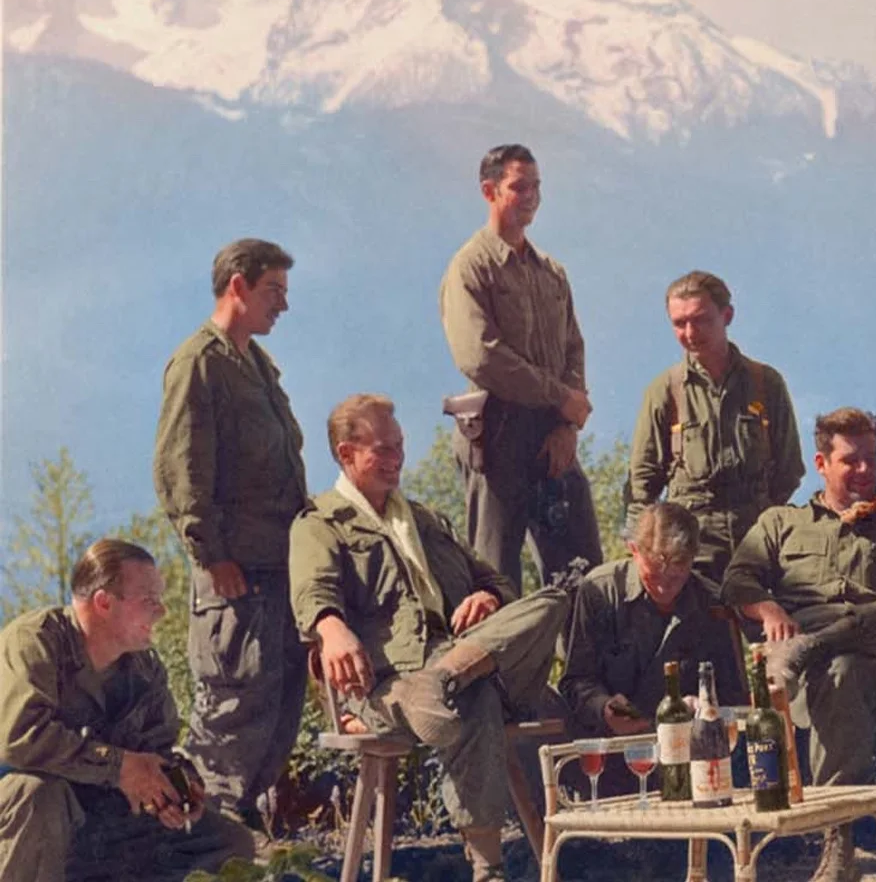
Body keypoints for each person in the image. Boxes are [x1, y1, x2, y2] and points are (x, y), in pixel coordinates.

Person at [289, 395, 581, 882]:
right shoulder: (320, 524)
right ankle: (488, 870)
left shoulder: (423, 519)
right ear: (346, 453)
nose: (396, 459)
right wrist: (331, 627)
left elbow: (495, 581)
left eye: (400, 446)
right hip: (388, 677)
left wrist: (487, 596)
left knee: (551, 600)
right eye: (382, 450)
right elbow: (312, 592)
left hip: (455, 656)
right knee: (476, 699)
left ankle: (448, 676)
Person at [723, 409, 876, 882]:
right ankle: (840, 841)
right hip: (802, 673)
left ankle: (827, 641)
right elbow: (736, 581)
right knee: (841, 670)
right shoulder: (781, 522)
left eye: (871, 459)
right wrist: (769, 610)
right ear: (821, 463)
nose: (865, 470)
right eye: (851, 461)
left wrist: (838, 635)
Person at [152, 238, 308, 826]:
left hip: (276, 572)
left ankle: (242, 847)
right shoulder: (200, 363)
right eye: (274, 291)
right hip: (235, 578)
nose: (283, 306)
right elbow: (180, 469)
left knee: (276, 716)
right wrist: (211, 556)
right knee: (230, 721)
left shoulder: (255, 364)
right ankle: (206, 846)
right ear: (237, 285)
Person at [0, 539, 255, 882]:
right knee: (36, 793)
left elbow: (158, 748)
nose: (161, 611)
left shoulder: (143, 667)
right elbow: (19, 738)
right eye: (149, 600)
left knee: (229, 843)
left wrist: (175, 789)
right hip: (27, 825)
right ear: (104, 602)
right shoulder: (34, 642)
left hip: (96, 824)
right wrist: (120, 767)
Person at [440, 143, 601, 591]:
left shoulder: (551, 272)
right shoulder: (471, 268)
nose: (531, 196)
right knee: (496, 580)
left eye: (536, 186)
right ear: (489, 190)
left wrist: (566, 424)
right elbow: (480, 356)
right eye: (519, 187)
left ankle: (576, 643)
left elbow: (573, 347)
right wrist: (561, 397)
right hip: (497, 437)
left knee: (583, 577)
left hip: (552, 438)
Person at [625, 271, 804, 586]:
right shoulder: (664, 391)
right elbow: (642, 486)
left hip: (759, 543)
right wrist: (641, 555)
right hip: (691, 550)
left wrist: (762, 515)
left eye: (701, 320)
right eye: (679, 323)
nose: (690, 333)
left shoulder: (765, 383)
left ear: (727, 316)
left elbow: (789, 470)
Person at [561, 501, 744, 744]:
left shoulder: (712, 604)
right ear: (633, 550)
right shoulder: (600, 592)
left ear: (693, 558)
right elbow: (576, 682)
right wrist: (602, 707)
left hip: (689, 745)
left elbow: (733, 696)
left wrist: (704, 703)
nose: (663, 588)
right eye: (653, 576)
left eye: (676, 578)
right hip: (613, 748)